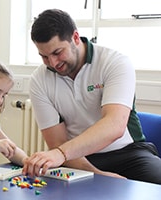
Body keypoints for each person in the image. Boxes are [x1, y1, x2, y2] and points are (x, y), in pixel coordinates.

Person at [22, 9, 161, 184]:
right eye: (44, 56)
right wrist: (96, 174)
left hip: (129, 153)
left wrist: (61, 153)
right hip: (78, 159)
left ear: (75, 37)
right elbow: (58, 142)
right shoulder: (39, 80)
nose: (53, 63)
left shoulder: (114, 62)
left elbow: (114, 126)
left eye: (57, 52)